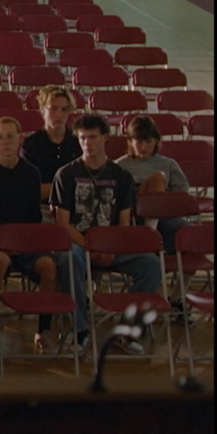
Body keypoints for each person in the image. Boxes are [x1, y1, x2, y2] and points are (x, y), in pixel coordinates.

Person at [52, 113, 162, 355]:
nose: (87, 143)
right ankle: (80, 330)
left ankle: (128, 330)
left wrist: (112, 247)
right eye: (82, 138)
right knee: (69, 258)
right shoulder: (66, 174)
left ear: (105, 138)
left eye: (92, 137)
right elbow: (63, 224)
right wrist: (92, 247)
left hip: (112, 246)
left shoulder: (120, 176)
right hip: (80, 244)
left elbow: (124, 223)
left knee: (151, 264)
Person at [0, 116, 62, 352]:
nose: (5, 142)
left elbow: (34, 215)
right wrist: (2, 242)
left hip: (25, 243)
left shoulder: (31, 173)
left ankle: (43, 331)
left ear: (20, 140)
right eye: (0, 137)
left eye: (10, 137)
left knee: (49, 266)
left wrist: (22, 242)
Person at [116, 114, 191, 252]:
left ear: (156, 141)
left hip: (163, 213)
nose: (143, 147)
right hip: (133, 213)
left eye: (148, 141)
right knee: (158, 178)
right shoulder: (120, 165)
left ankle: (179, 268)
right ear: (131, 142)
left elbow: (182, 192)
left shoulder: (168, 163)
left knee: (192, 235)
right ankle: (149, 234)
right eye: (139, 142)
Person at [21, 84, 82, 210]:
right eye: (53, 109)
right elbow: (30, 190)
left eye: (64, 109)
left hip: (76, 206)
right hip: (42, 206)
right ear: (42, 109)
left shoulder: (79, 141)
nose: (59, 115)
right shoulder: (31, 144)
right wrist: (67, 187)